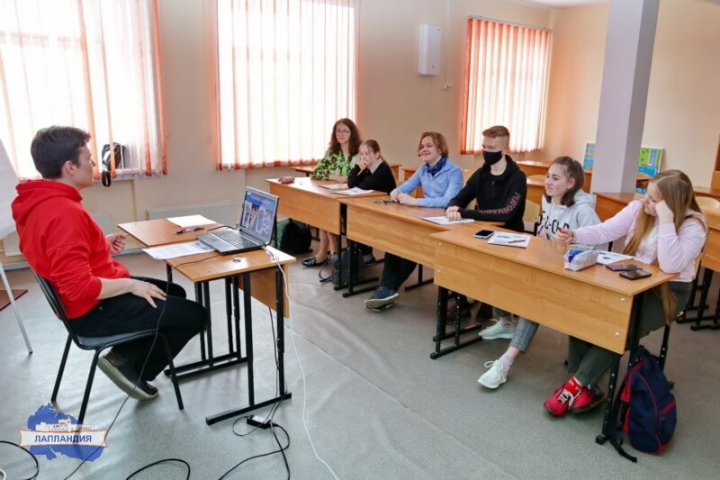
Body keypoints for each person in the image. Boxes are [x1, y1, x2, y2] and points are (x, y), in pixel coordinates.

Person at [12, 126, 207, 401]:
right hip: (90, 311)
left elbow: (58, 252)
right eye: (88, 159)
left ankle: (124, 354)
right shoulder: (63, 213)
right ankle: (133, 368)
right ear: (70, 167)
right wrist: (131, 285)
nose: (93, 165)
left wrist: (99, 243)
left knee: (173, 293)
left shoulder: (40, 202)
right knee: (196, 315)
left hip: (84, 302)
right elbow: (77, 287)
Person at [544, 169, 706, 416]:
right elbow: (606, 230)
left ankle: (575, 385)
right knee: (584, 310)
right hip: (631, 281)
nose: (645, 202)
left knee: (618, 328)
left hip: (668, 291)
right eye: (646, 195)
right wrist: (575, 235)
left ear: (669, 205)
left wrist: (666, 221)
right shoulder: (639, 208)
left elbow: (671, 265)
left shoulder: (693, 225)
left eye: (653, 199)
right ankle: (583, 383)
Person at [476, 156, 602, 390]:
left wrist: (570, 246)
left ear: (571, 183)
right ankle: (505, 322)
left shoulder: (583, 210)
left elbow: (598, 248)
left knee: (534, 301)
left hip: (572, 276)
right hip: (548, 267)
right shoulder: (550, 201)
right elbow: (548, 233)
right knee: (501, 273)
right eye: (547, 176)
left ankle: (505, 363)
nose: (548, 182)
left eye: (555, 178)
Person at [364, 132, 463, 310]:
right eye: (422, 146)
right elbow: (406, 186)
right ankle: (386, 288)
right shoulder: (424, 168)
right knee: (396, 242)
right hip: (425, 218)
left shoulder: (454, 171)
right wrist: (396, 191)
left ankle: (387, 289)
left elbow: (448, 201)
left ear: (440, 148)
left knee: (411, 248)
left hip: (446, 223)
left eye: (429, 145)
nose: (424, 149)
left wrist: (416, 201)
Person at [445, 125, 526, 318]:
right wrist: (453, 206)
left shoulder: (518, 178)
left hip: (509, 235)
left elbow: (506, 214)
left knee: (487, 263)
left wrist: (467, 213)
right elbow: (460, 197)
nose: (486, 152)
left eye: (491, 148)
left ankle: (489, 300)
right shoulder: (481, 174)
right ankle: (462, 301)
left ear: (505, 149)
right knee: (455, 253)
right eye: (484, 147)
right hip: (482, 230)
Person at [302, 118, 362, 267]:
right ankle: (330, 255)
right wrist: (336, 177)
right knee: (325, 212)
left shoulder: (359, 152)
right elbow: (317, 172)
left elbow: (363, 174)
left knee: (326, 214)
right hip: (332, 195)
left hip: (354, 197)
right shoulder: (332, 153)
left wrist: (347, 179)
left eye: (345, 131)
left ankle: (330, 254)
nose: (341, 134)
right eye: (338, 131)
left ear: (352, 133)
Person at [347, 139, 397, 264]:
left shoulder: (382, 170)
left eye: (367, 154)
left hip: (389, 211)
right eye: (362, 154)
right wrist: (357, 167)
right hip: (374, 206)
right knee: (347, 212)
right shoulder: (368, 167)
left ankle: (365, 254)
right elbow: (351, 184)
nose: (363, 157)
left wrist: (360, 172)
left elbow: (362, 187)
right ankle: (363, 254)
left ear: (377, 154)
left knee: (352, 216)